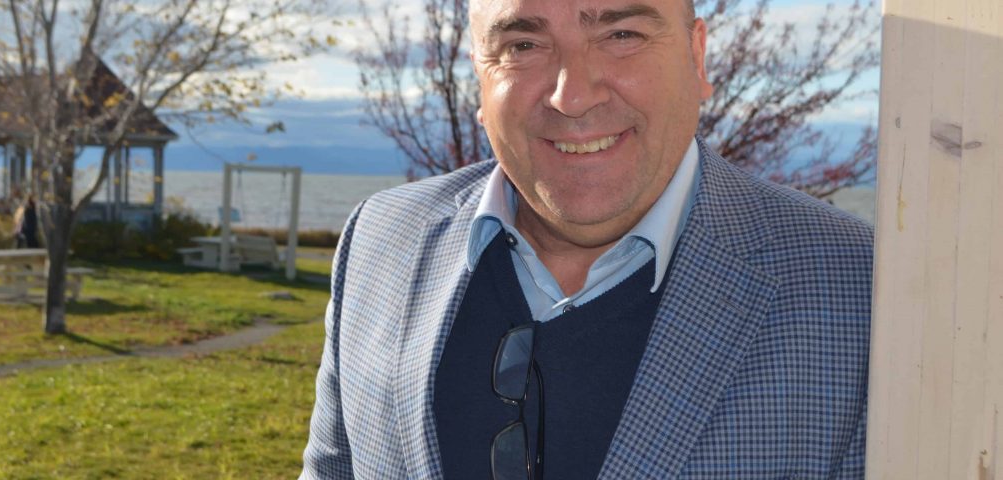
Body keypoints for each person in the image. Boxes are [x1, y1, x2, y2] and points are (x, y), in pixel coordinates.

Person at [301, 0, 872, 478]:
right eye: (524, 45)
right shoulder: (381, 238)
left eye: (622, 35)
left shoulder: (861, 291)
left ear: (696, 56)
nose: (572, 96)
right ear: (480, 75)